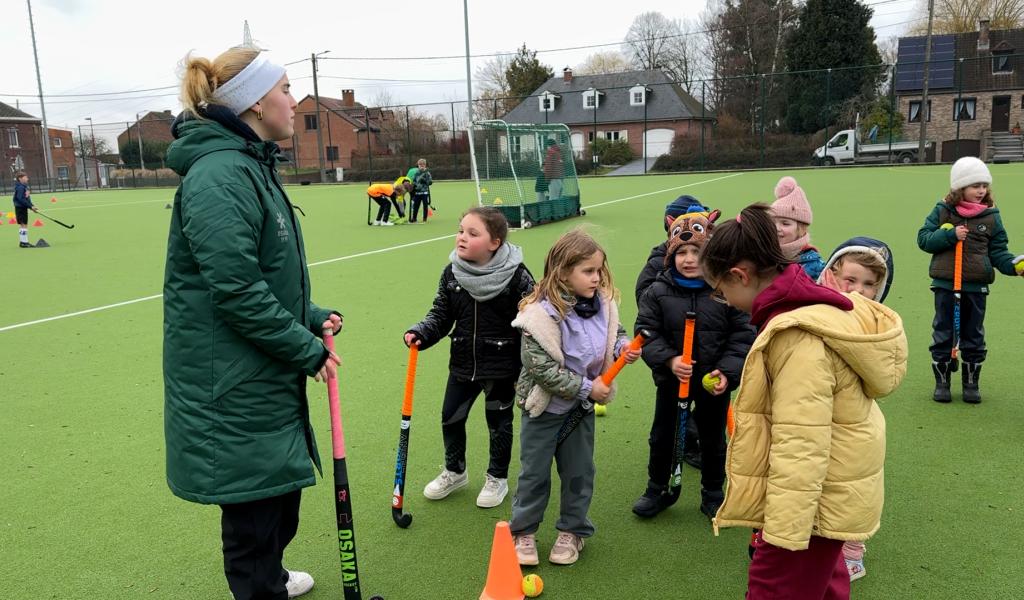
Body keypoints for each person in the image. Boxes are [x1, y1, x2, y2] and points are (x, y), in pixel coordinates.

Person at [163, 46, 342, 600]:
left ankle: (272, 579)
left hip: (258, 372)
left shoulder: (248, 165)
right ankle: (262, 587)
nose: (294, 101)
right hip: (232, 383)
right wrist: (306, 350)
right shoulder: (221, 175)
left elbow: (262, 273)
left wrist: (309, 317)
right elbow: (237, 292)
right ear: (257, 103)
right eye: (286, 89)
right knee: (254, 518)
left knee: (277, 500)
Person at [701, 204, 907, 600]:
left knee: (771, 590)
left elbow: (802, 441)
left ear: (740, 276)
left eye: (722, 291)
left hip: (811, 509)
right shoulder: (803, 311)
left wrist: (780, 533)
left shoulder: (796, 337)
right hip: (829, 496)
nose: (725, 301)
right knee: (826, 587)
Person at [509, 229, 640, 567]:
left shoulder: (605, 305)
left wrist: (621, 347)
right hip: (545, 409)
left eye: (599, 270)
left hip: (578, 411)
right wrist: (588, 388)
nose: (597, 278)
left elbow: (616, 333)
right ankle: (523, 532)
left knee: (579, 471)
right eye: (588, 271)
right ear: (563, 272)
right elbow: (541, 370)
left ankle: (573, 531)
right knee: (534, 474)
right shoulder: (538, 315)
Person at [404, 207, 534, 508]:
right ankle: (455, 470)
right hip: (463, 362)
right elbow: (441, 313)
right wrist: (422, 331)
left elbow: (534, 316)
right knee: (450, 417)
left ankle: (497, 477)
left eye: (473, 233)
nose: (462, 237)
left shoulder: (517, 276)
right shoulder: (452, 273)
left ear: (495, 242)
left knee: (498, 423)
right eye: (461, 230)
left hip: (501, 366)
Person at [633, 204, 755, 520]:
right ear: (671, 256)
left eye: (696, 252)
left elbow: (743, 335)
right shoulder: (658, 291)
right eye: (681, 252)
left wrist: (727, 372)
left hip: (713, 383)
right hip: (673, 381)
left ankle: (713, 492)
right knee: (662, 436)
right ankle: (657, 488)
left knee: (713, 440)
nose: (689, 259)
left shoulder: (726, 290)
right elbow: (646, 333)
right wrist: (670, 360)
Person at [817, 237, 895, 583]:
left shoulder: (878, 324)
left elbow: (883, 377)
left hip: (856, 421)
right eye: (850, 280)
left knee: (853, 484)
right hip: (817, 415)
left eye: (869, 285)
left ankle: (851, 549)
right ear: (831, 275)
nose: (859, 291)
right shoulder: (814, 311)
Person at [917, 156, 1024, 403]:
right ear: (960, 187)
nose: (981, 191)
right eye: (975, 185)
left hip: (976, 287)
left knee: (973, 334)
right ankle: (942, 383)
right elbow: (924, 239)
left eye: (984, 186)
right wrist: (950, 235)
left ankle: (971, 383)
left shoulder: (991, 217)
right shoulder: (943, 210)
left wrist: (1013, 267)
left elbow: (998, 252)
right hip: (946, 285)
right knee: (943, 332)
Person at [634, 195, 707, 468]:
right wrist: (668, 354)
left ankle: (692, 439)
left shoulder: (716, 279)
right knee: (669, 416)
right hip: (672, 358)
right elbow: (646, 306)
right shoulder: (659, 263)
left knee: (703, 409)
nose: (689, 259)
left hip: (704, 361)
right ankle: (662, 474)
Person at [770, 176, 825, 280]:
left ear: (801, 229)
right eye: (772, 222)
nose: (776, 228)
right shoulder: (763, 257)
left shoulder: (815, 265)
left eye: (785, 223)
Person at [12, 171, 36, 248]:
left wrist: (31, 206)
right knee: (23, 224)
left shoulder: (24, 187)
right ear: (20, 178)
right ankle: (24, 243)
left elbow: (27, 198)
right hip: (20, 208)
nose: (27, 179)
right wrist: (30, 206)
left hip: (23, 207)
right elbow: (20, 199)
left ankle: (23, 242)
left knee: (24, 224)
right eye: (25, 177)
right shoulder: (20, 187)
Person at [409, 158, 433, 223]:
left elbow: (430, 182)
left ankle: (424, 219)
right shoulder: (416, 173)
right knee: (416, 206)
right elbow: (413, 181)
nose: (421, 166)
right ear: (418, 165)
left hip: (424, 193)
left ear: (425, 165)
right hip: (417, 193)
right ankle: (414, 219)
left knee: (425, 206)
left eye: (423, 165)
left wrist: (425, 181)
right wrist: (413, 187)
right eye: (420, 165)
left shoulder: (427, 173)